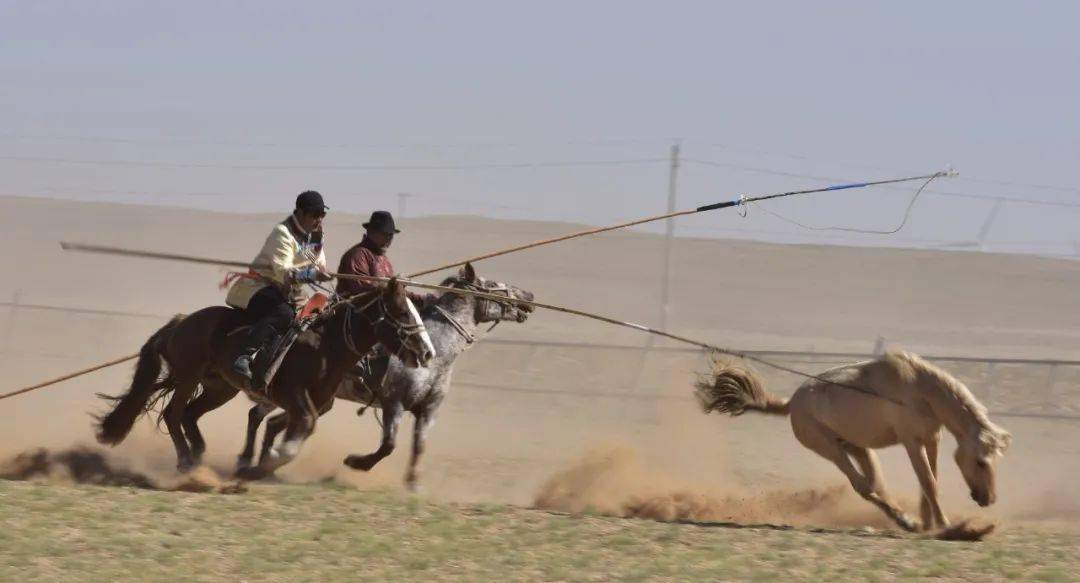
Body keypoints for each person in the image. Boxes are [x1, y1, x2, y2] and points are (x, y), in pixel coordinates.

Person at [226, 190, 332, 385]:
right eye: (315, 215)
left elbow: (318, 263)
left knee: (321, 315)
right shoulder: (282, 233)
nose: (319, 220)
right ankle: (246, 356)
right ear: (300, 213)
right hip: (260, 285)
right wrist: (313, 274)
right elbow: (284, 274)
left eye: (322, 215)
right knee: (284, 313)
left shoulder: (315, 235)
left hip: (292, 291)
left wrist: (320, 271)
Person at [336, 210, 434, 307]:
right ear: (371, 232)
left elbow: (392, 293)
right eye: (384, 234)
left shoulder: (383, 258)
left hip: (378, 312)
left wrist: (420, 299)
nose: (389, 239)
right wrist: (395, 285)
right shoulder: (358, 255)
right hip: (354, 315)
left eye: (391, 235)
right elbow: (362, 289)